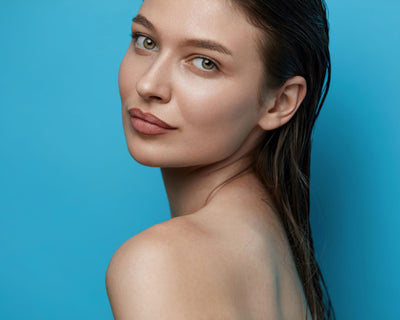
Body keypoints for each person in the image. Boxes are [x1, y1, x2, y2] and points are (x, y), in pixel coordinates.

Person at [106, 0, 333, 318]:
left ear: (280, 102)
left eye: (204, 62)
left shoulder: (160, 262)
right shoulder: (271, 247)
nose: (148, 85)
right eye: (147, 41)